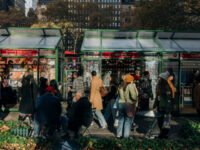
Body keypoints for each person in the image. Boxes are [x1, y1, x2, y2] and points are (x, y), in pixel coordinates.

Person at [156, 71, 176, 139]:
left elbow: (169, 98)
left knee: (165, 121)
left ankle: (164, 134)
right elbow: (157, 97)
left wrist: (169, 108)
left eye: (160, 78)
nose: (158, 78)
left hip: (165, 107)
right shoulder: (159, 86)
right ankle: (163, 133)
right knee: (161, 121)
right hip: (161, 107)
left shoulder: (167, 86)